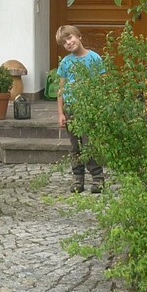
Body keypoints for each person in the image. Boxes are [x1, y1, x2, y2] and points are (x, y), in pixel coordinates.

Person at [55, 24, 105, 193]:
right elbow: (60, 89)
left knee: (89, 143)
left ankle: (97, 178)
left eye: (70, 38)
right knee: (75, 145)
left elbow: (102, 83)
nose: (68, 43)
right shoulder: (65, 62)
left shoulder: (94, 58)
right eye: (64, 42)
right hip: (71, 109)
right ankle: (78, 178)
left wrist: (100, 106)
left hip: (90, 108)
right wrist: (61, 113)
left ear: (79, 36)